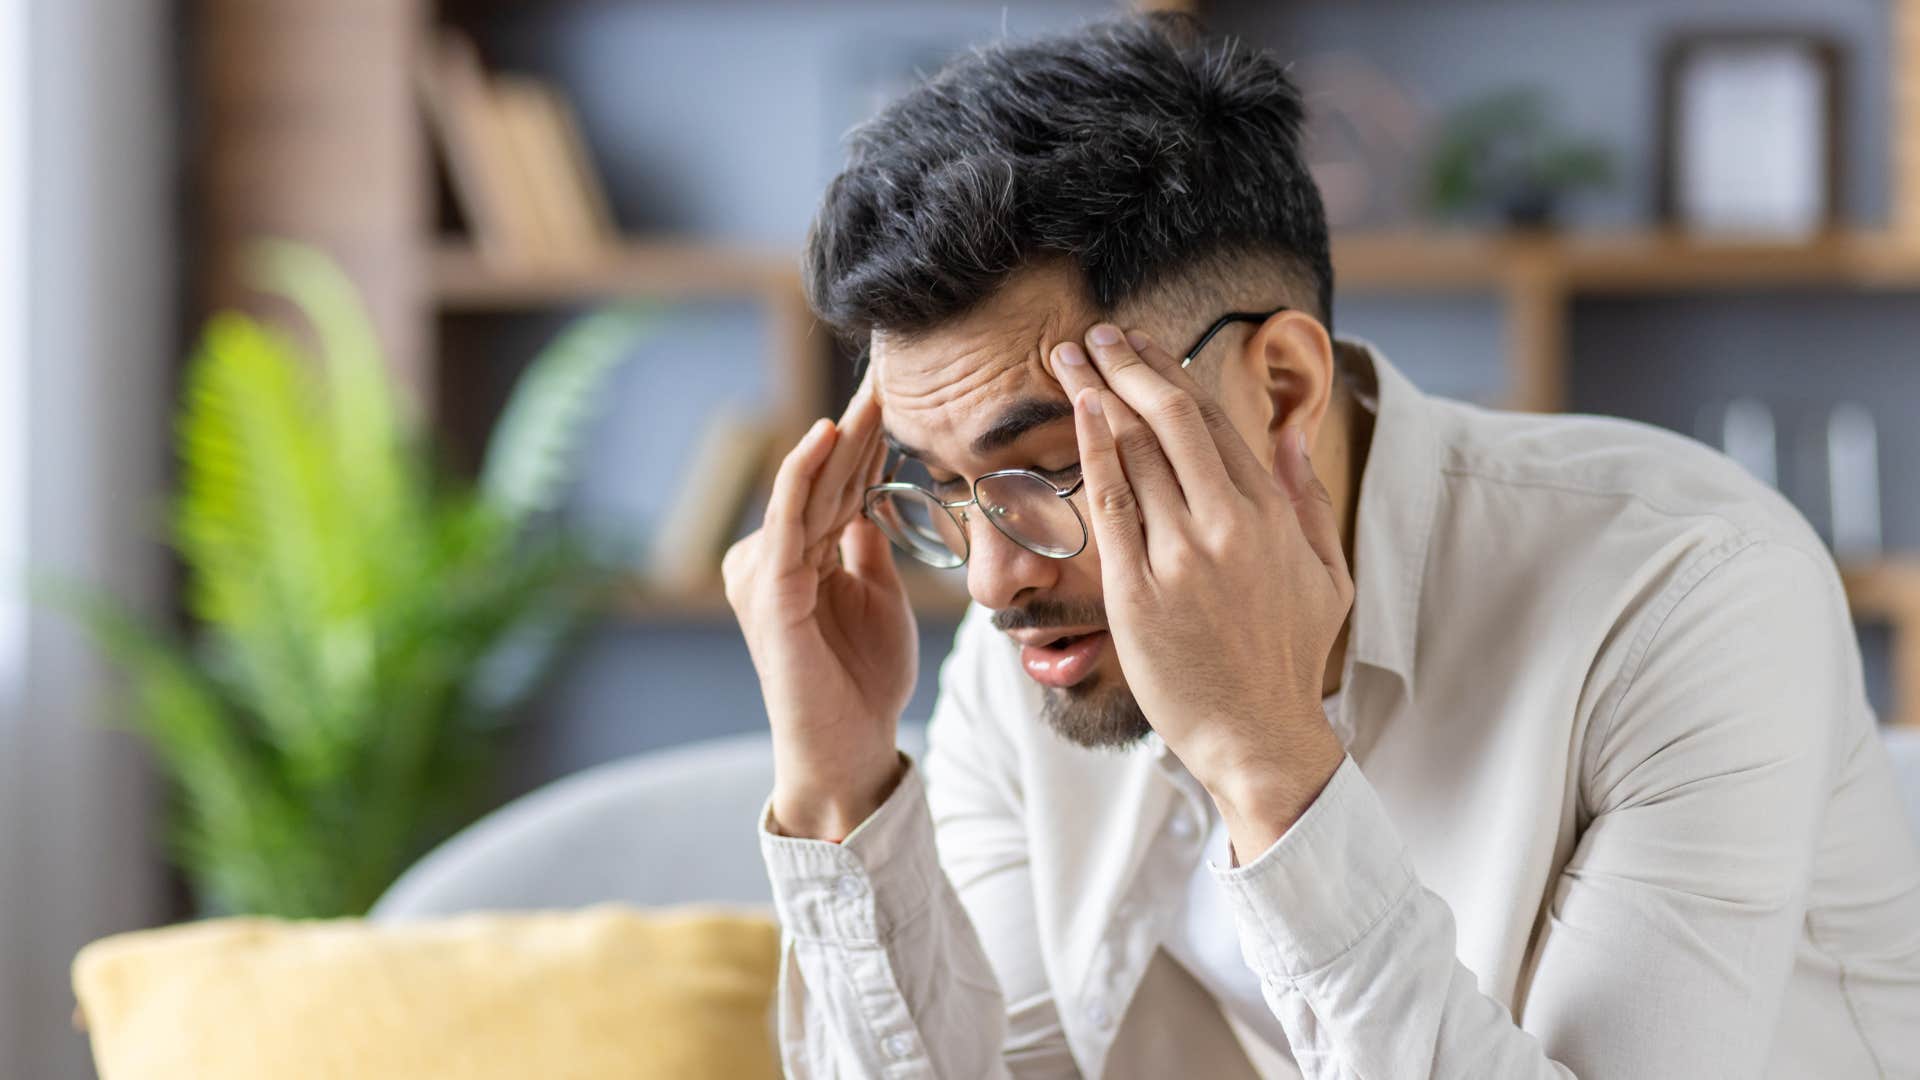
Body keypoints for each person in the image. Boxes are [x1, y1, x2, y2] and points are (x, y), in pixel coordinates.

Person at [721, 13, 1920, 1078]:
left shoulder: (1686, 592)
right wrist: (839, 784)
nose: (993, 581)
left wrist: (1268, 760)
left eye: (1050, 467)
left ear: (1283, 387)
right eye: (942, 491)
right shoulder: (1035, 649)